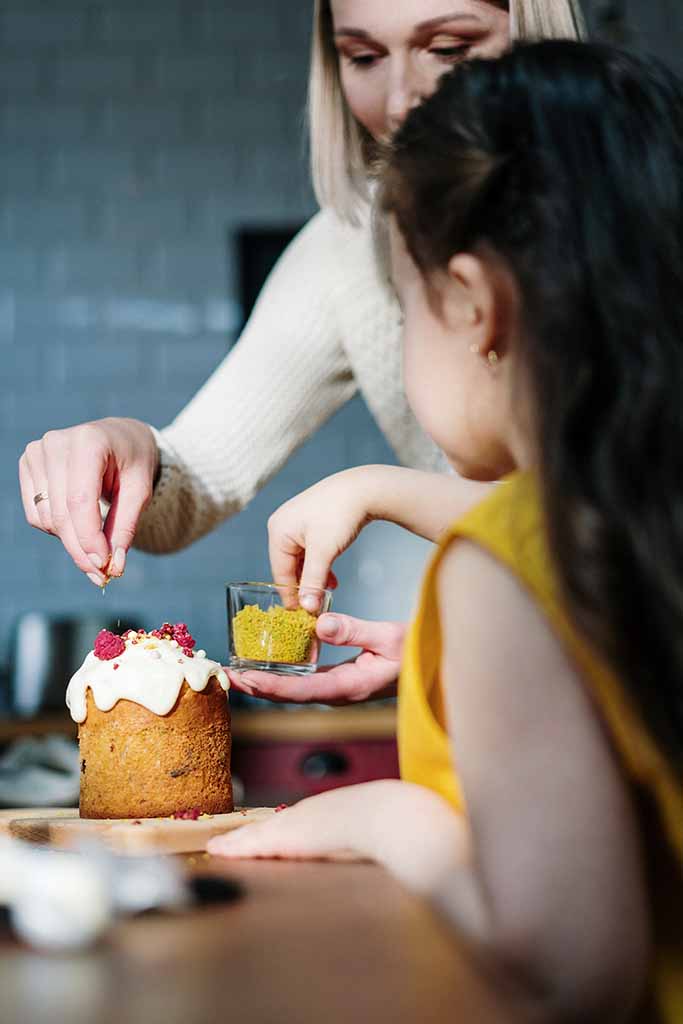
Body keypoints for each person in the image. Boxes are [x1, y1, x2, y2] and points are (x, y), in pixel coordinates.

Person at [209, 41, 683, 1023]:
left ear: (471, 305)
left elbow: (573, 972)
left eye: (405, 303)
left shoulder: (492, 575)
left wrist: (396, 819)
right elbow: (571, 535)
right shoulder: (635, 508)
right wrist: (384, 487)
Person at [19, 0, 585, 704]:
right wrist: (127, 447)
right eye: (363, 57)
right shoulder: (351, 244)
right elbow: (197, 479)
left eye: (449, 48)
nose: (403, 100)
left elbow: (615, 531)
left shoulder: (628, 233)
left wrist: (384, 490)